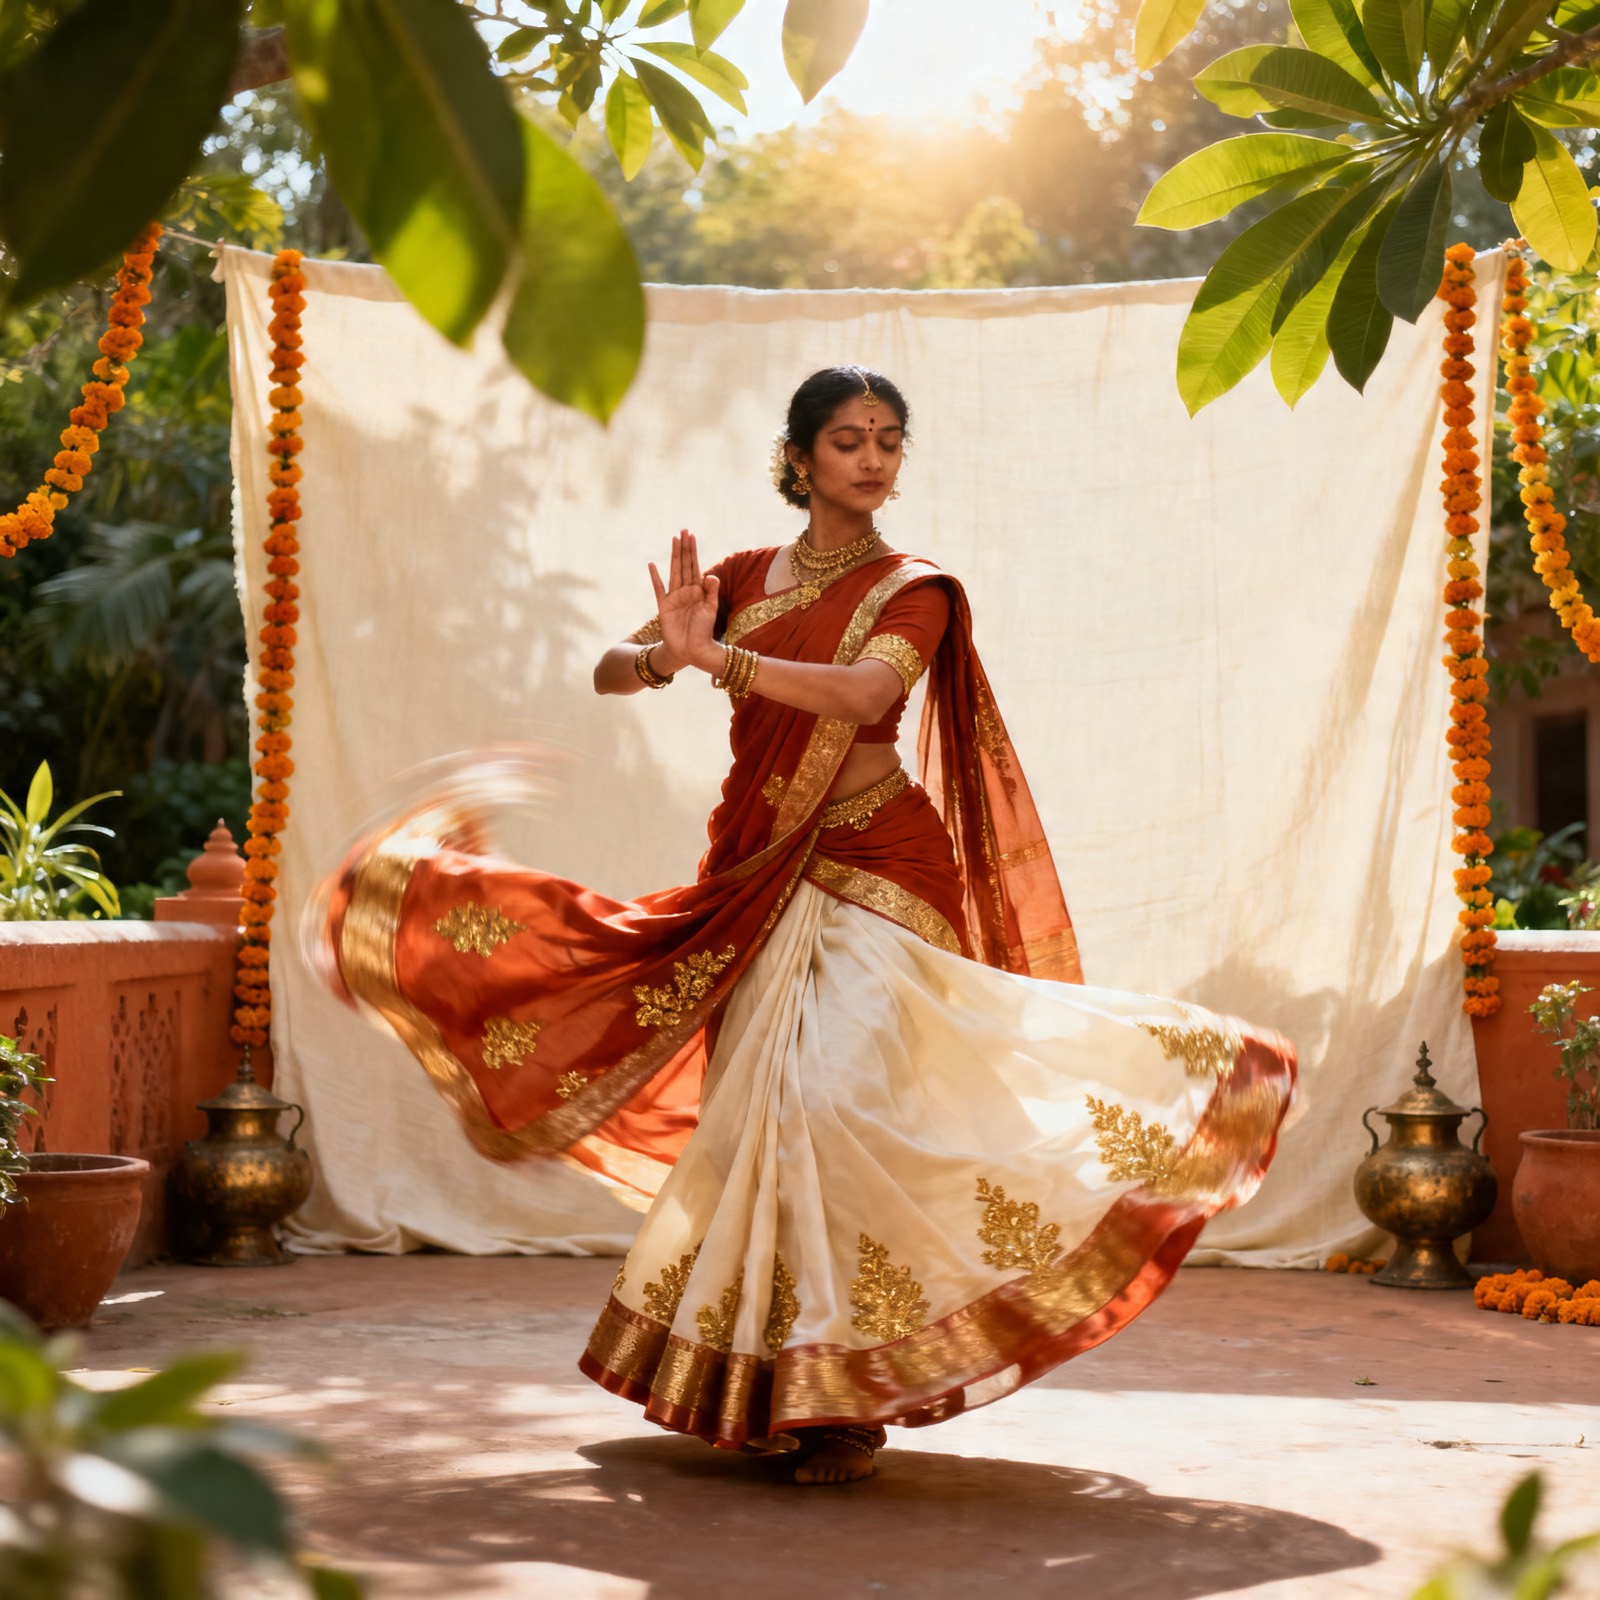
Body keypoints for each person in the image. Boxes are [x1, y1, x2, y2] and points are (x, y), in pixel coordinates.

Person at [318, 365, 1296, 1487]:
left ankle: (1182, 1097)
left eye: (889, 440)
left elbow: (860, 700)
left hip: (881, 861)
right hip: (762, 875)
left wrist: (715, 659)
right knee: (760, 1126)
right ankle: (801, 1397)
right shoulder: (737, 576)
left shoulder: (914, 588)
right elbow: (608, 671)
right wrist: (661, 654)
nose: (873, 459)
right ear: (799, 460)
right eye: (848, 440)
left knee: (834, 1098)